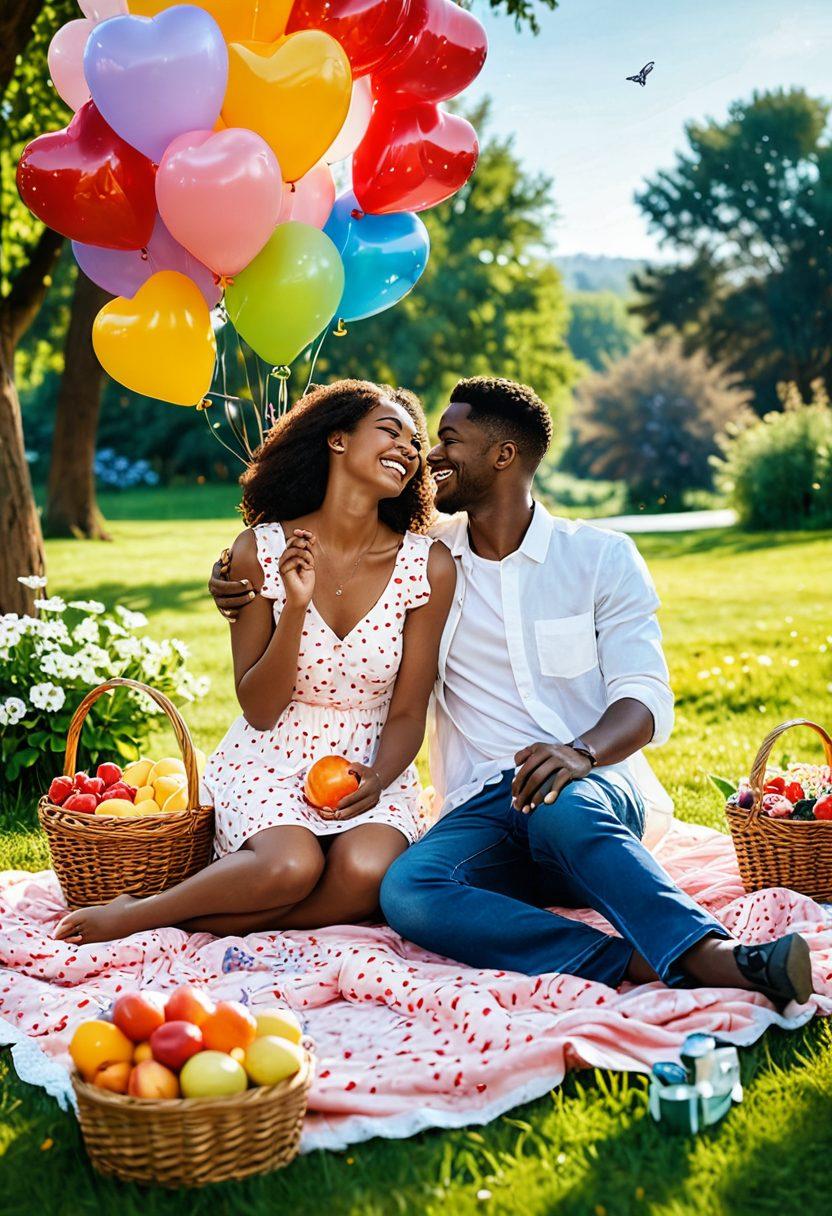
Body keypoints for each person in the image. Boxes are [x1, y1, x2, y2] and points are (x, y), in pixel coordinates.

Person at [209, 376, 813, 1009]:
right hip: (483, 810)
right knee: (409, 890)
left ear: (503, 456)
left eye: (446, 440)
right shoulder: (428, 562)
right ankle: (630, 959)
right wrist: (229, 579)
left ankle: (712, 954)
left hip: (589, 790)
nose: (428, 457)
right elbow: (337, 553)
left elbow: (645, 698)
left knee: (559, 801)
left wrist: (579, 752)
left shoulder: (600, 558)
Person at [55, 380, 455, 945]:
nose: (409, 450)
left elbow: (411, 709)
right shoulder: (257, 551)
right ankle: (132, 914)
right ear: (336, 440)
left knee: (369, 872)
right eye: (390, 432)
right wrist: (294, 607)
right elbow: (261, 709)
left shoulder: (426, 565)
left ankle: (176, 915)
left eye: (415, 444)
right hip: (270, 755)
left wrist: (380, 778)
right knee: (291, 868)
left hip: (370, 761)